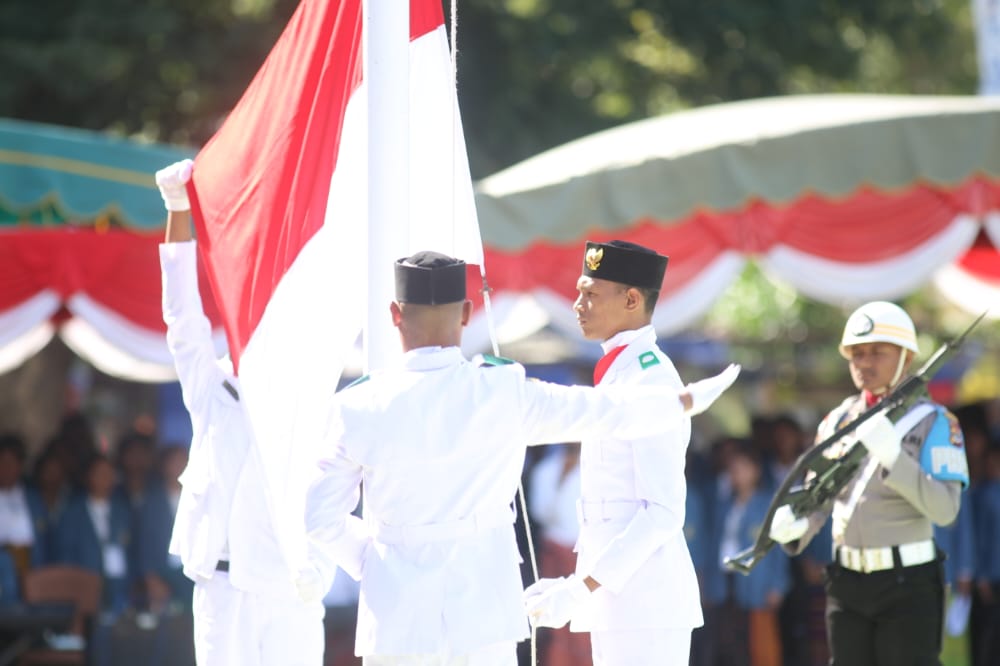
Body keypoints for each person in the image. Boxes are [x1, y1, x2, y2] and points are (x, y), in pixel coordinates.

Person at [299, 249, 740, 665]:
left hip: (396, 615)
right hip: (484, 609)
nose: (577, 304)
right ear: (468, 314)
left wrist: (380, 566)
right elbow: (601, 412)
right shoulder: (499, 390)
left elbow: (319, 518)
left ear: (395, 315)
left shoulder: (357, 406)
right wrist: (679, 403)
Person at [156, 159, 324, 665]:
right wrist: (177, 210)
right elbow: (182, 319)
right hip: (221, 584)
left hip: (286, 580)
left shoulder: (310, 390)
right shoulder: (214, 386)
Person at [524, 240, 705, 665]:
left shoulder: (650, 378)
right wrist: (578, 583)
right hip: (619, 601)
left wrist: (580, 587)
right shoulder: (621, 371)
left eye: (590, 294)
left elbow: (662, 511)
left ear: (631, 299)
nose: (577, 305)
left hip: (647, 604)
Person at [769, 301, 969, 666]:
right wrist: (798, 526)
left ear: (906, 358)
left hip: (906, 584)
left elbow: (946, 510)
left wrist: (897, 459)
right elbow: (820, 497)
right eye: (856, 354)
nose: (864, 363)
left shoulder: (935, 423)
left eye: (878, 352)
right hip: (846, 582)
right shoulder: (836, 422)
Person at [53, 454, 132, 612]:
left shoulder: (123, 511)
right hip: (82, 587)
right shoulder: (72, 513)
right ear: (88, 477)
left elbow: (131, 550)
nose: (105, 479)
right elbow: (65, 554)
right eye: (100, 473)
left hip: (117, 587)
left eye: (109, 474)